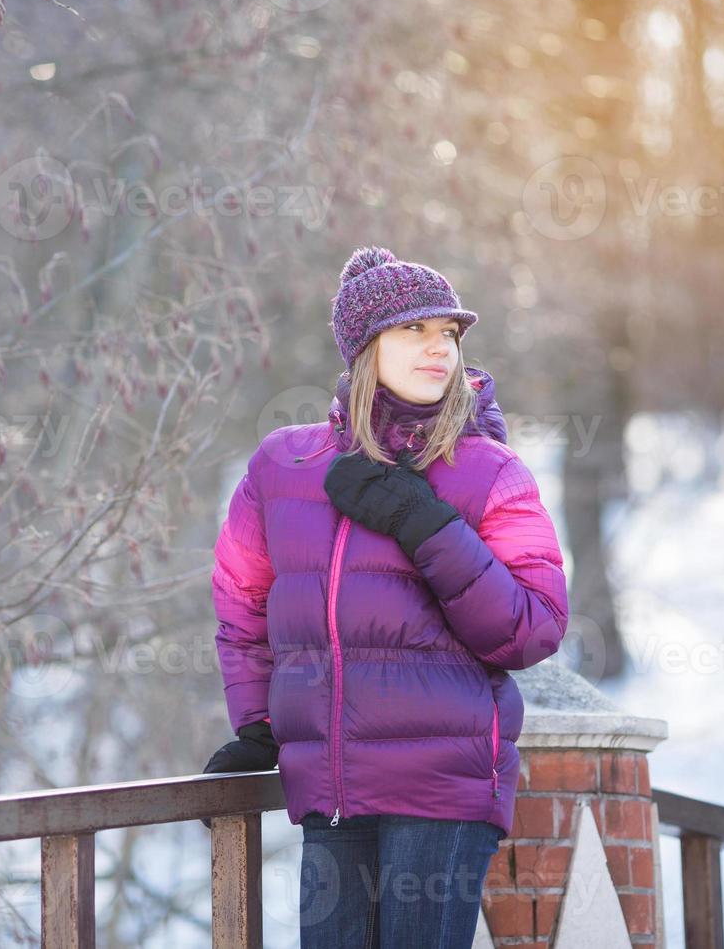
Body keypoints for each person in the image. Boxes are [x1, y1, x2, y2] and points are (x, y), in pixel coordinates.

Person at [203, 246, 570, 948]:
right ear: (365, 345)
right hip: (331, 796)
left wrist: (424, 523)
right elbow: (241, 602)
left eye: (450, 334)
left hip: (443, 794)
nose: (439, 348)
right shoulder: (285, 464)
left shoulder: (490, 471)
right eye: (414, 330)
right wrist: (259, 722)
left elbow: (532, 628)